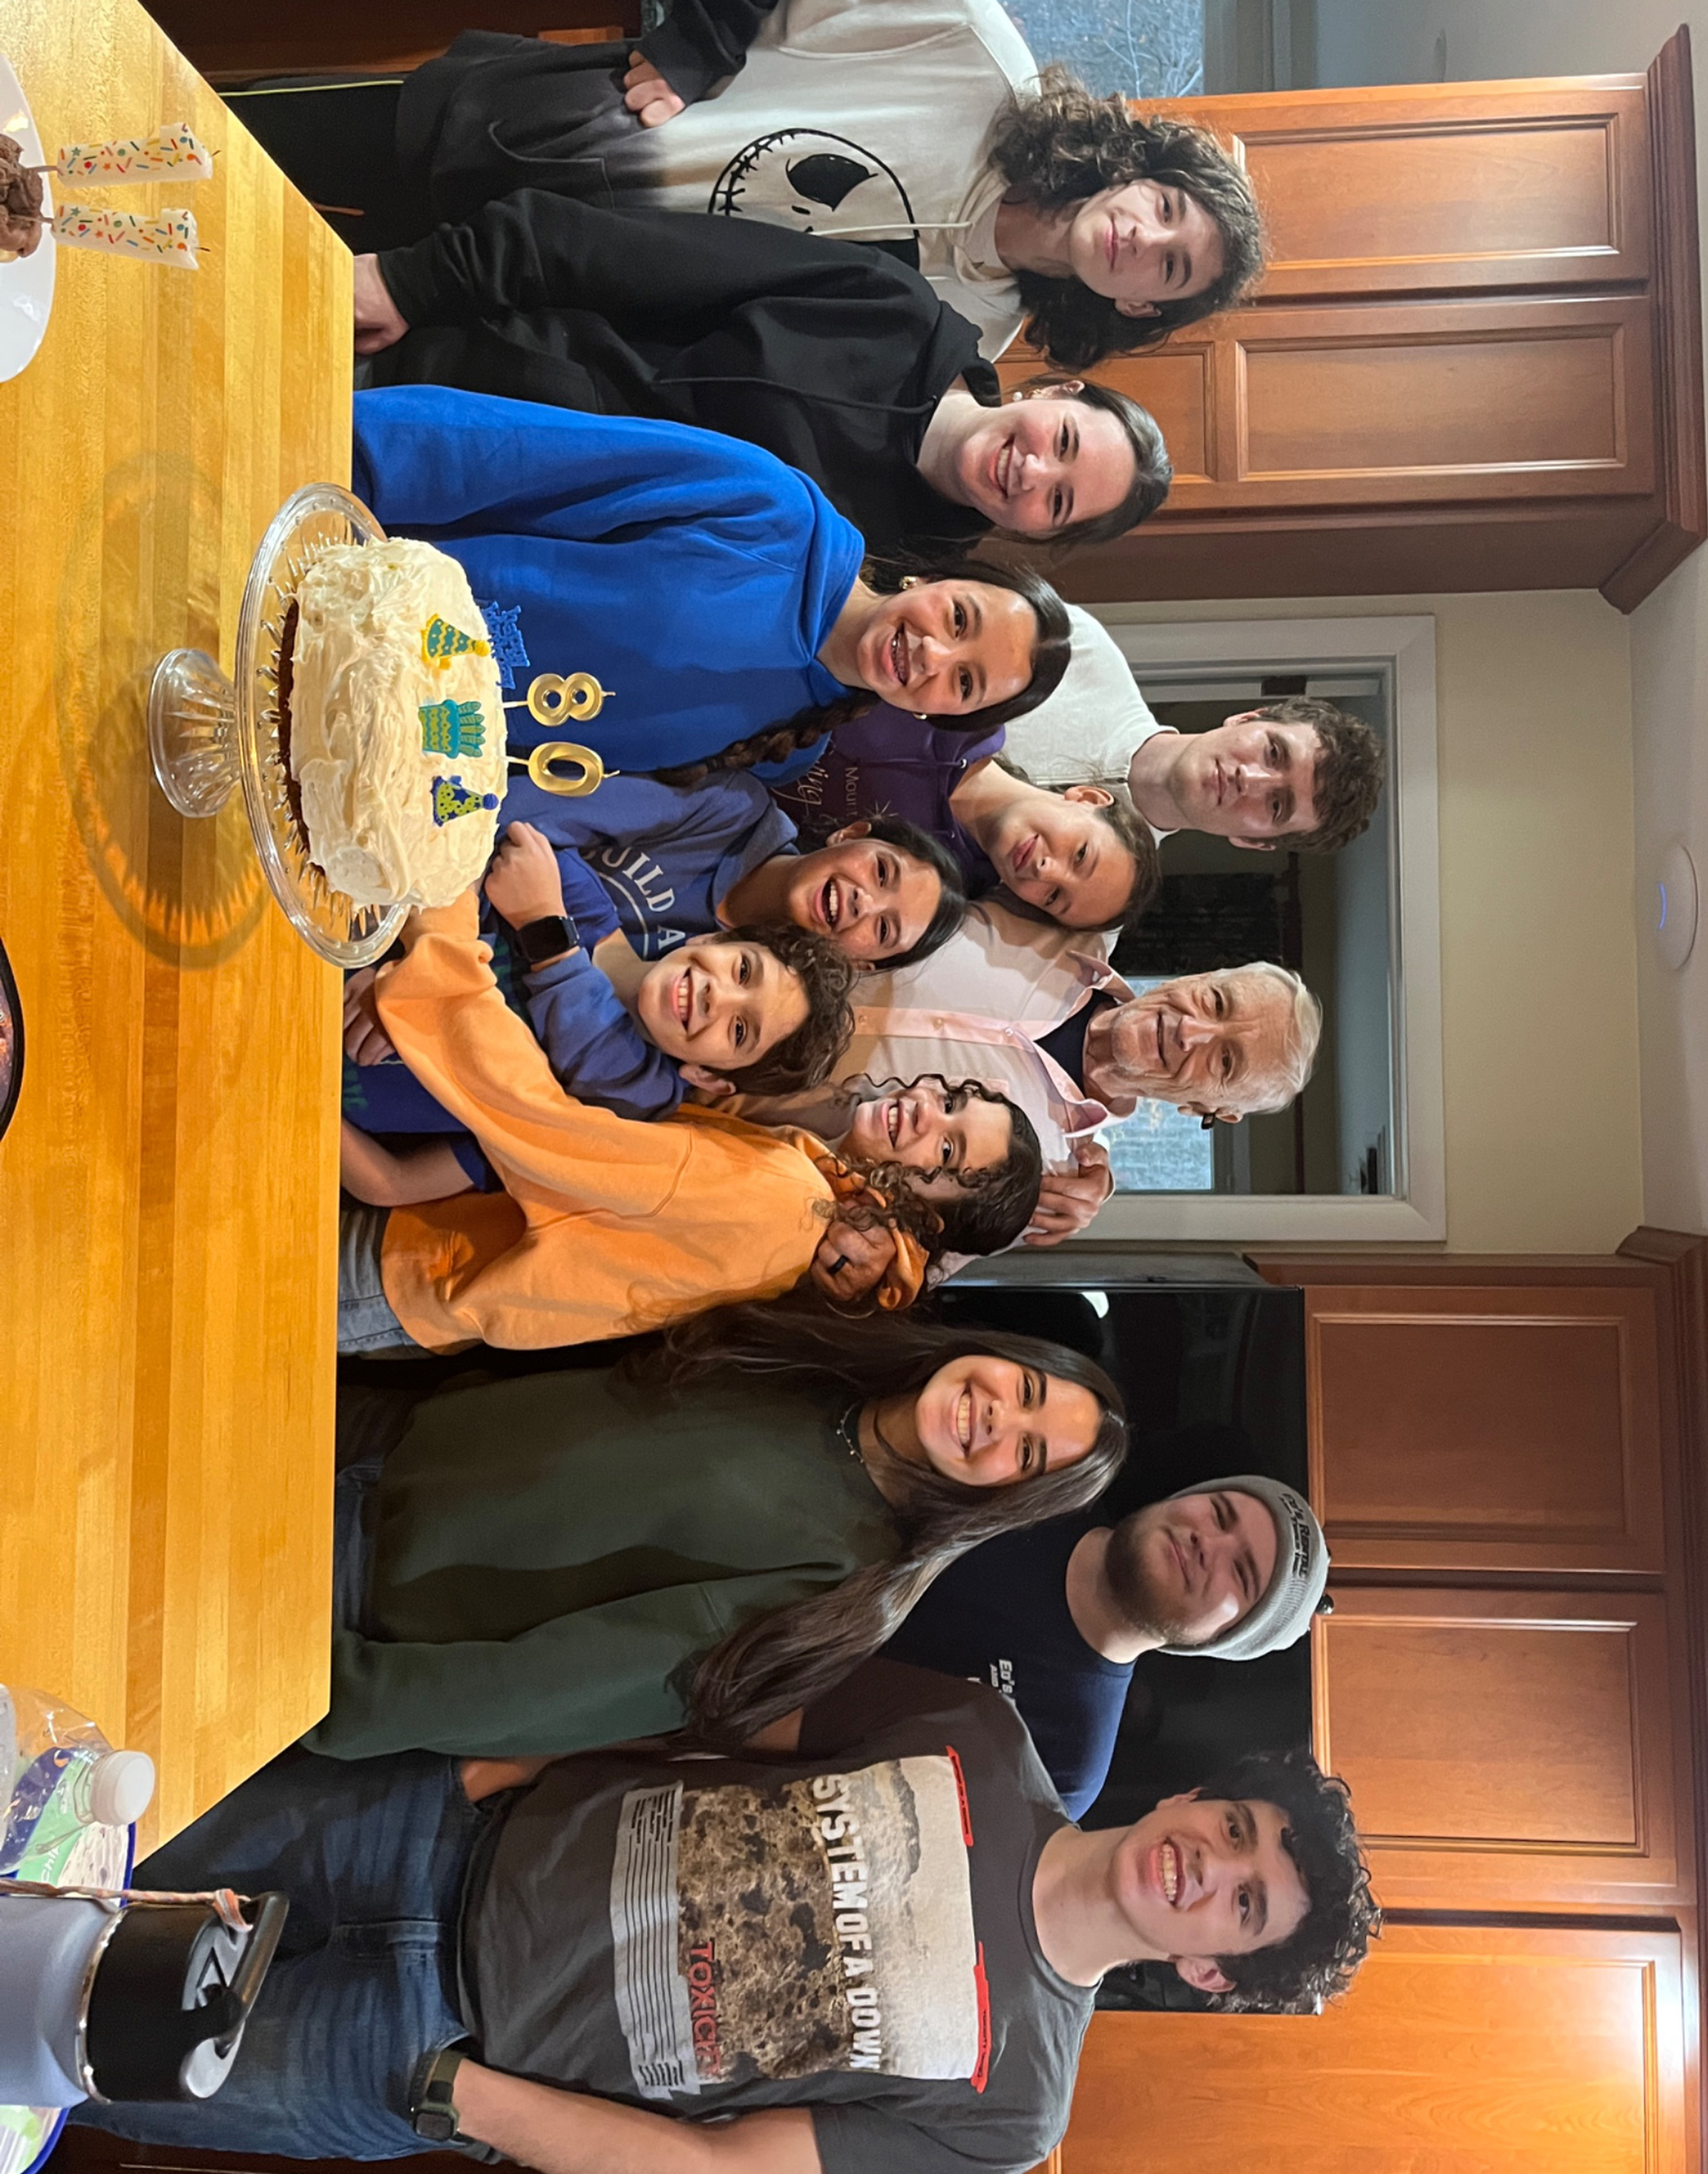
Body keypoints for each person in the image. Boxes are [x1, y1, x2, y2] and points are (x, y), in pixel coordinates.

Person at [75, 1665, 1378, 2165]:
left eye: (1245, 1904)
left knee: (52, 2043)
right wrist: (487, 1768)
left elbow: (725, 2170)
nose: (1209, 1866)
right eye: (1236, 1830)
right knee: (71, 1821)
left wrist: (461, 2100)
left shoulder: (1017, 2108)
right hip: (427, 1830)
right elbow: (716, 1713)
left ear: (1212, 1971)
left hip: (418, 2052)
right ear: (1197, 1798)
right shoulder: (981, 1734)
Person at [309, 1314, 1127, 1759]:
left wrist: (317, 1693)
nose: (998, 1416)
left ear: (1007, 1504)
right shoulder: (823, 1351)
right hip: (369, 1430)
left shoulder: (841, 1588)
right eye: (1026, 1388)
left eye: (1027, 1453)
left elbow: (547, 1688)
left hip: (342, 1590)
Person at [226, 17, 1263, 363]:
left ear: (1141, 307)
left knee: (220, 288)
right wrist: (700, 40)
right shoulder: (973, 53)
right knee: (194, 146)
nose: (1145, 238)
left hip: (491, 301)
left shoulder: (965, 341)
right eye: (1166, 208)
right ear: (1140, 173)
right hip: (489, 133)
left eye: (1171, 269)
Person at [335, 891, 1044, 1353]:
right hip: (427, 1266)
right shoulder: (806, 1181)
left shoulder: (788, 1201)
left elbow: (539, 1128)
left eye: (946, 1154)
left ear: (928, 1222)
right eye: (951, 1101)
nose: (924, 1114)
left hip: (418, 1265)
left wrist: (444, 932)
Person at [350, 193, 1172, 556]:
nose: (1032, 471)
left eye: (1057, 502)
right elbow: (623, 252)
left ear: (1038, 535)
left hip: (435, 536)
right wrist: (414, 281)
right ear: (1054, 390)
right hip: (423, 379)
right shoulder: (888, 306)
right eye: (1063, 442)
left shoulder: (892, 572)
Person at [349, 385, 1071, 783]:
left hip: (355, 752)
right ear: (935, 577)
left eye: (965, 683)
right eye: (960, 619)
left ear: (937, 716)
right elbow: (509, 451)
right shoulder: (769, 508)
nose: (934, 654)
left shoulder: (788, 746)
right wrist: (340, 465)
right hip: (336, 589)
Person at [728, 898, 1322, 1298]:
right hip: (721, 957)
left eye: (1224, 1061)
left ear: (1206, 1111)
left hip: (717, 1131)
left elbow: (899, 1269)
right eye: (1216, 1002)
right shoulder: (1070, 916)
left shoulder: (1046, 1183)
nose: (1191, 1030)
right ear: (1200, 977)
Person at [341, 823, 861, 1196]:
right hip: (323, 951)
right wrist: (410, 959)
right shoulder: (577, 894)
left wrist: (539, 928)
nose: (718, 997)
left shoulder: (636, 1100)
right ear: (713, 938)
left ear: (709, 1077)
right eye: (743, 971)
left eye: (741, 1030)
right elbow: (450, 843)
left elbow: (394, 1184)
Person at [886, 1474, 1328, 1817]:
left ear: (1223, 1639)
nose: (1207, 1542)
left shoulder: (1068, 1764)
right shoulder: (1043, 1481)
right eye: (1219, 1513)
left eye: (1241, 1572)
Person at [770, 728, 1163, 933]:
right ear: (1088, 798)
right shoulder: (964, 714)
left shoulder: (933, 893)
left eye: (1054, 897)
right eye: (1080, 855)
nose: (1046, 871)